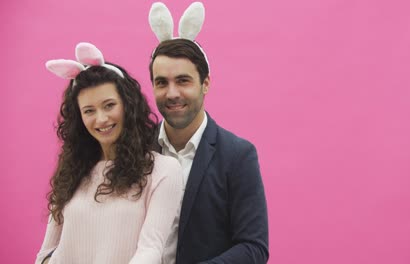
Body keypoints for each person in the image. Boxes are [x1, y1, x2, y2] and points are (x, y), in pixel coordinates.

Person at [35, 42, 183, 264]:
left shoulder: (163, 170)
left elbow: (151, 249)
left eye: (109, 105)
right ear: (79, 118)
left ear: (128, 105)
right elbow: (45, 254)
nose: (101, 119)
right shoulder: (71, 172)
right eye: (89, 111)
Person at [148, 3, 269, 263]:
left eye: (183, 80)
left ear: (205, 84)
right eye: (162, 83)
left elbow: (254, 247)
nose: (172, 93)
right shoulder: (135, 147)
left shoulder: (238, 155)